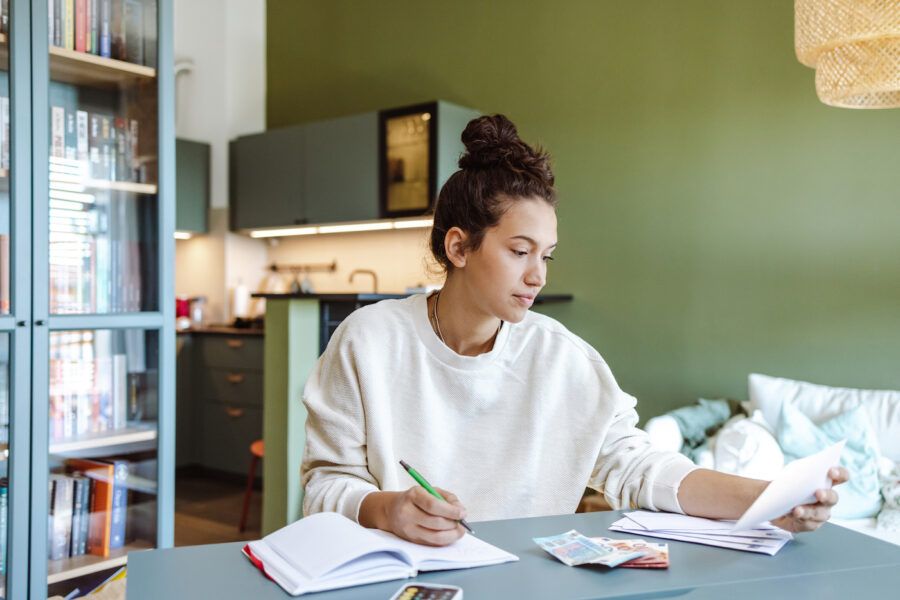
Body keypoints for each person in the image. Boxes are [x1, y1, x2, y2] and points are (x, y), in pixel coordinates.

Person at [301, 114, 849, 546]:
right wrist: (387, 510)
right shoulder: (367, 341)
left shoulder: (562, 358)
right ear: (459, 246)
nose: (537, 275)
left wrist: (768, 500)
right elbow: (325, 483)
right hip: (396, 578)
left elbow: (640, 468)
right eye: (519, 252)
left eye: (547, 256)